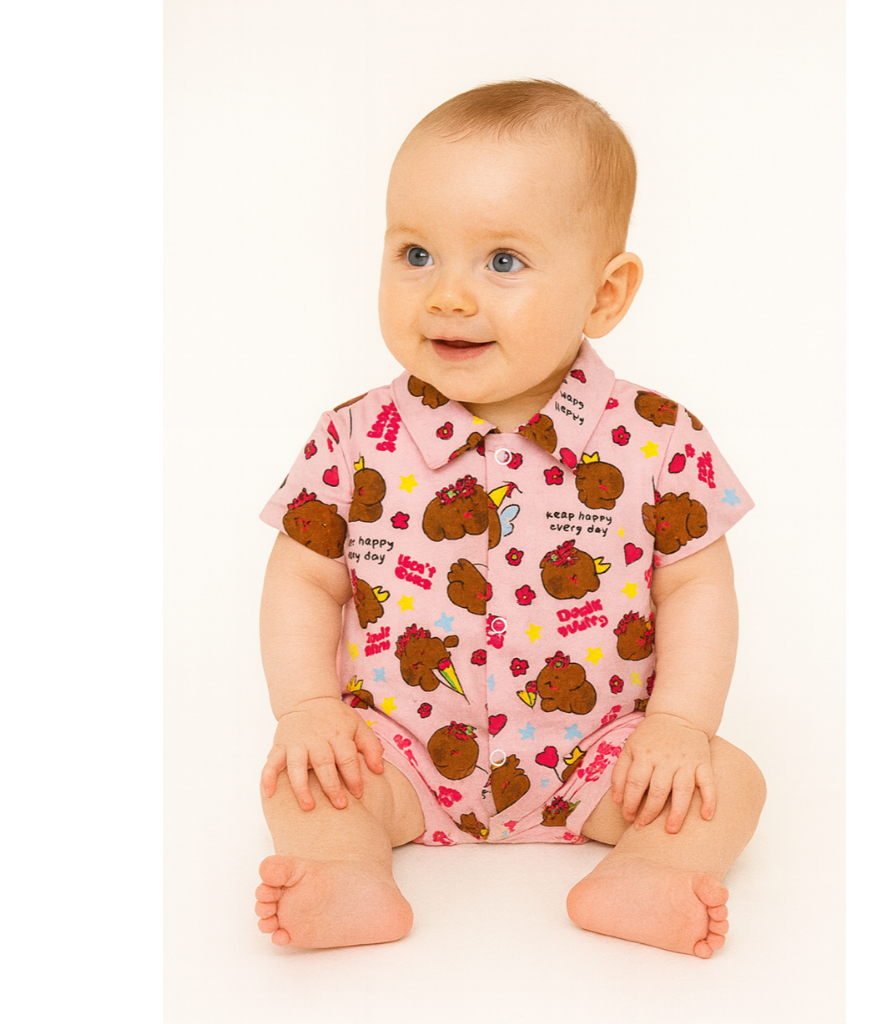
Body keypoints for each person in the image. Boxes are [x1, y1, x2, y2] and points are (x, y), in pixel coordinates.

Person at [254, 80, 766, 958]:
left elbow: (696, 589)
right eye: (416, 254)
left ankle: (647, 870)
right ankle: (345, 872)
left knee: (734, 781)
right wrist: (306, 709)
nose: (448, 296)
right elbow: (303, 575)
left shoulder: (658, 439)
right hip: (399, 752)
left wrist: (678, 727)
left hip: (602, 753)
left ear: (604, 294)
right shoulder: (353, 437)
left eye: (501, 261)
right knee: (301, 781)